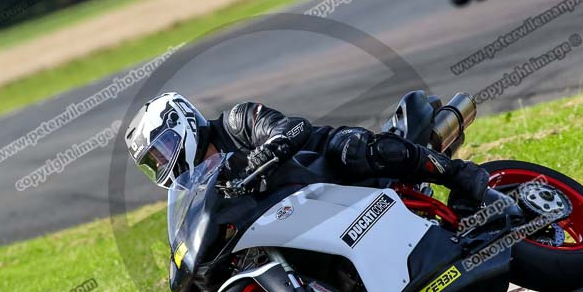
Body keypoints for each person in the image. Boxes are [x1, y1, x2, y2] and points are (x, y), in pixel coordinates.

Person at [124, 92, 489, 204]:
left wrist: (269, 150)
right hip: (303, 209)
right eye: (154, 161)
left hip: (326, 161)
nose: (163, 162)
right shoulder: (201, 185)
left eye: (162, 149)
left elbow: (293, 126)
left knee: (352, 150)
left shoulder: (236, 121)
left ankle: (460, 174)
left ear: (183, 124)